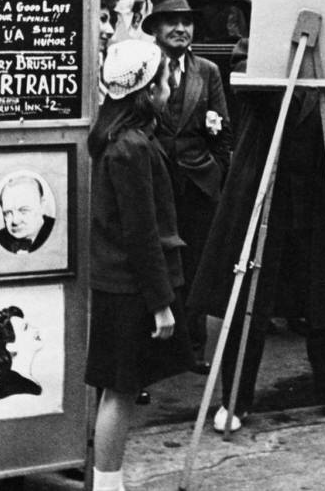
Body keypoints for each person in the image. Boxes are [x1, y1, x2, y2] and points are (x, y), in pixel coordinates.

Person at [190, 67, 325, 432]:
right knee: (250, 303)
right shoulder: (259, 45)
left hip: (320, 197)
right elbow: (254, 93)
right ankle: (235, 399)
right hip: (265, 192)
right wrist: (301, 78)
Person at [86, 40, 191, 491]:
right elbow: (141, 233)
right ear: (146, 92)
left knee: (118, 388)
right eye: (165, 80)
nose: (170, 86)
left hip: (117, 283)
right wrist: (161, 303)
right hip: (129, 288)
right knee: (120, 390)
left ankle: (108, 479)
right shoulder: (132, 148)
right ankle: (108, 483)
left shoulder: (119, 139)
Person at [145, 0, 231, 372]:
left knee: (197, 265)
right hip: (155, 180)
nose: (180, 29)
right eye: (171, 22)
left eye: (187, 22)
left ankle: (193, 348)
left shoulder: (207, 71)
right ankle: (155, 350)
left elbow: (224, 128)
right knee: (158, 263)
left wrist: (215, 170)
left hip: (198, 183)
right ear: (157, 29)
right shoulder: (145, 66)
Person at [0, 306, 43, 402]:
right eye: (25, 328)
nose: (36, 329)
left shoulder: (21, 381)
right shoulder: (17, 387)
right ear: (11, 346)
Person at [0, 172, 55, 253]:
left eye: (24, 210)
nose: (15, 221)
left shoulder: (60, 233)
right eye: (8, 213)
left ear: (42, 206)